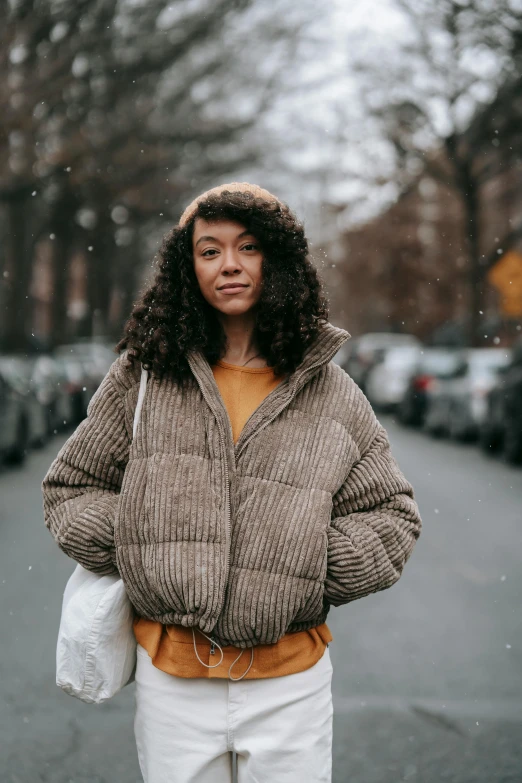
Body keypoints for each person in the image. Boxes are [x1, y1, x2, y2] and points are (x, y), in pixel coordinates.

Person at [42, 182, 422, 783]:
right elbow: (72, 488)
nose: (230, 266)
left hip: (291, 683)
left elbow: (390, 514)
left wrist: (310, 563)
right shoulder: (145, 376)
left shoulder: (328, 388)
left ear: (276, 259)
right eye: (210, 250)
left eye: (248, 247)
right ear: (186, 267)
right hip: (174, 681)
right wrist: (146, 544)